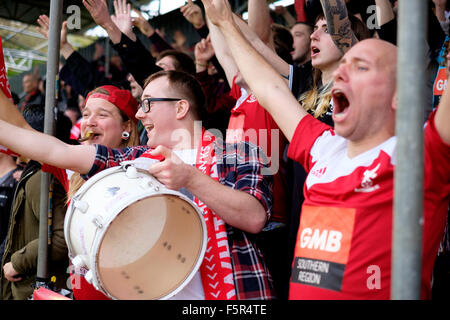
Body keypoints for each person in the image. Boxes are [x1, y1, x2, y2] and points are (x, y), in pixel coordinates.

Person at [201, 0, 450, 300]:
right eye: (343, 66)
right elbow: (268, 89)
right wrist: (225, 22)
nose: (341, 75)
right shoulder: (322, 146)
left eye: (360, 67)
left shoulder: (422, 155)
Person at [0, 70, 275, 300]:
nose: (141, 115)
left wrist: (190, 178)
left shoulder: (237, 152)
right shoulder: (135, 162)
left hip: (239, 296)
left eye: (147, 104)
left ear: (180, 107)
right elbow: (56, 152)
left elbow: (254, 218)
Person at [0, 104, 72, 300]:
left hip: (32, 290)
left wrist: (17, 262)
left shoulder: (42, 177)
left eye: (19, 130)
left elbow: (60, 240)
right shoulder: (35, 173)